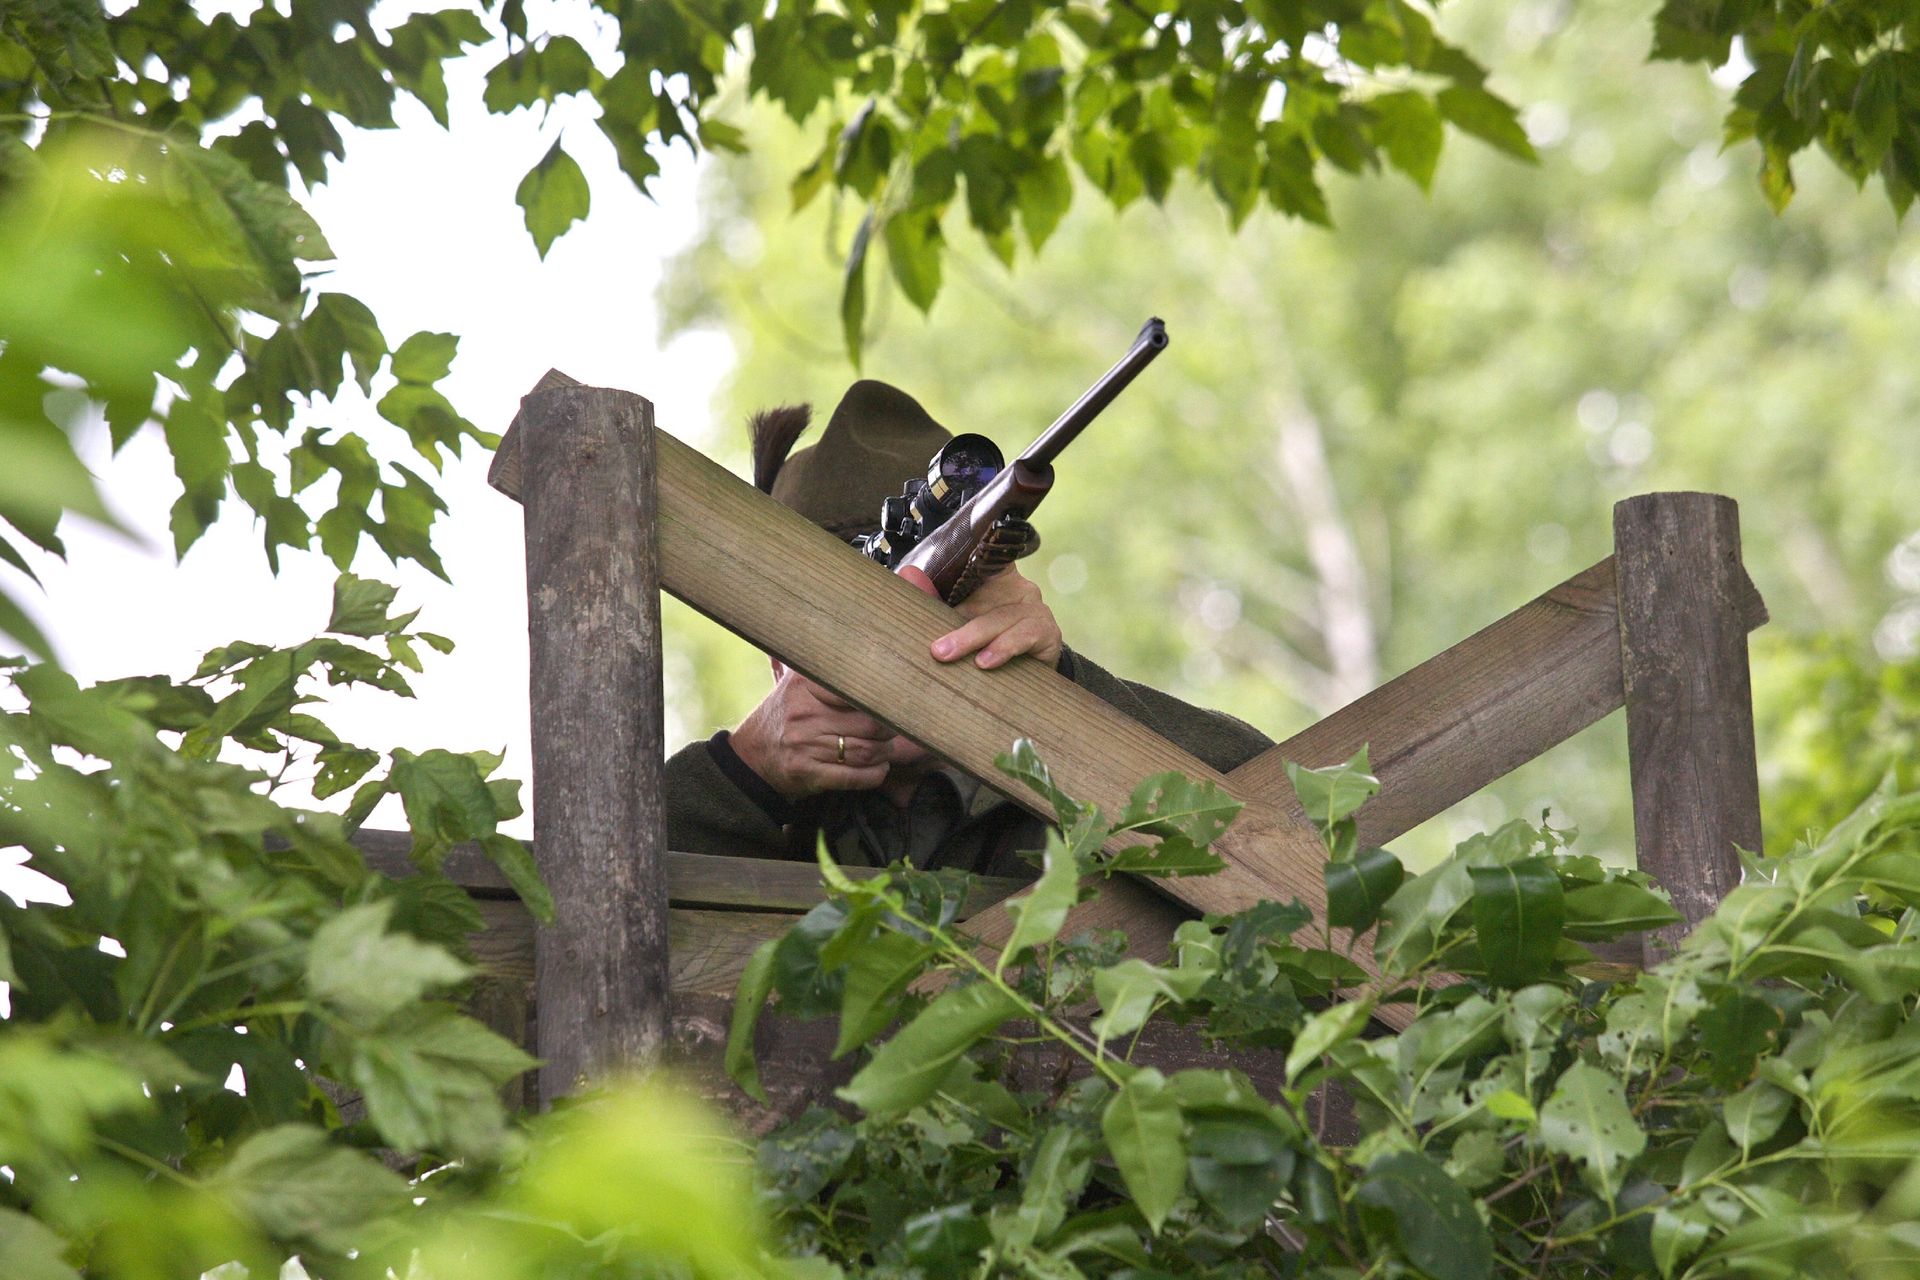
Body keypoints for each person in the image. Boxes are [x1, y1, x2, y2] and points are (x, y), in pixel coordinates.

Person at [662, 379, 1272, 879]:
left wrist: (1061, 694)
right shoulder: (765, 807)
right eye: (850, 606)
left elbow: (1285, 825)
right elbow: (576, 895)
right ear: (777, 659)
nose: (901, 627)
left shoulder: (1053, 775)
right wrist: (742, 771)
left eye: (944, 596)